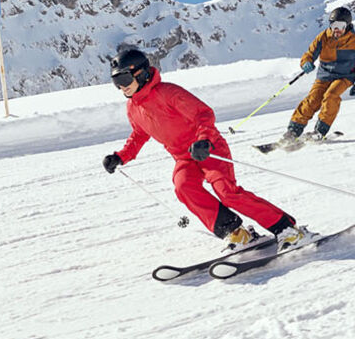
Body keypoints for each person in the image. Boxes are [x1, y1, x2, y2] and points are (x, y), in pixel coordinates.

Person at [102, 48, 306, 249]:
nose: (122, 88)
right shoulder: (133, 107)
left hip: (208, 148)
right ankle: (235, 232)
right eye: (116, 83)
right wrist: (120, 157)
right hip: (184, 158)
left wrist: (204, 140)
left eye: (124, 80)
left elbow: (204, 114)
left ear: (142, 73)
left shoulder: (168, 93)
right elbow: (139, 134)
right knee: (183, 187)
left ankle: (287, 228)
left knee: (227, 193)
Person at [277, 6, 355, 148]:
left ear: (348, 25)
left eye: (341, 26)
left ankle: (320, 131)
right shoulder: (324, 37)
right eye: (334, 25)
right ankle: (293, 131)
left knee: (331, 96)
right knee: (312, 100)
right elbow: (309, 54)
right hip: (324, 75)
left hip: (345, 76)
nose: (337, 29)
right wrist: (306, 63)